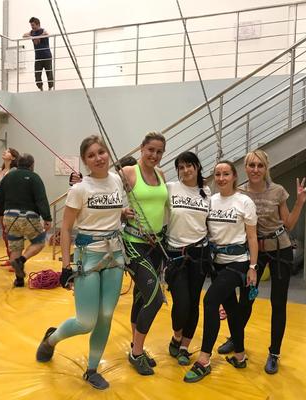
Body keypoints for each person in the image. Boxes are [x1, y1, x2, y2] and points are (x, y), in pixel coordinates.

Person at [36, 135, 127, 390]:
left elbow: (111, 213)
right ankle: (51, 340)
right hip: (88, 256)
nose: (98, 158)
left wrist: (123, 213)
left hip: (115, 255)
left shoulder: (117, 181)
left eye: (101, 152)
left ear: (108, 153)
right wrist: (65, 266)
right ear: (85, 161)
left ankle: (92, 369)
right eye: (91, 155)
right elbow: (65, 229)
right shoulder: (79, 189)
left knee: (106, 315)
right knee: (86, 321)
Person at [217, 150, 306, 374]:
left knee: (278, 303)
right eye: (251, 165)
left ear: (266, 168)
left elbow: (288, 224)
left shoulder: (278, 191)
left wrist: (299, 202)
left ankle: (274, 353)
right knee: (246, 300)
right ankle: (236, 339)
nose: (255, 170)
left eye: (260, 166)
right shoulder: (239, 192)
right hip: (254, 253)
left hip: (280, 250)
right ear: (245, 168)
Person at [184, 160, 258, 383]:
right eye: (217, 174)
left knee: (210, 301)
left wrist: (253, 267)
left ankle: (204, 360)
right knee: (232, 310)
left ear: (234, 176)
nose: (221, 178)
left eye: (226, 174)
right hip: (216, 263)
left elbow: (252, 237)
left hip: (238, 263)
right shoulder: (211, 201)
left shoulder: (244, 202)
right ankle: (240, 356)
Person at [121, 132, 168, 376]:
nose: (154, 155)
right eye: (150, 150)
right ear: (141, 148)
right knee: (155, 298)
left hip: (156, 245)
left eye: (159, 151)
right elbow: (105, 195)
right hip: (134, 244)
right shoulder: (129, 172)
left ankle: (135, 346)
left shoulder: (161, 175)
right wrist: (121, 211)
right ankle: (136, 354)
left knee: (140, 297)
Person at [165, 151, 211, 366]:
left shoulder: (207, 193)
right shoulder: (170, 188)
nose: (185, 170)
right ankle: (177, 336)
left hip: (200, 253)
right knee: (181, 302)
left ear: (197, 166)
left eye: (189, 166)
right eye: (181, 167)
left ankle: (184, 346)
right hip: (176, 253)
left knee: (193, 302)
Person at [0, 154, 52, 287]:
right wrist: (47, 218)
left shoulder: (8, 177)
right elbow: (41, 199)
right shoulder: (34, 177)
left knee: (16, 247)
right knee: (39, 242)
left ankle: (19, 280)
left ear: (18, 164)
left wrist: (1, 214)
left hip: (9, 216)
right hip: (28, 217)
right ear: (32, 165)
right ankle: (21, 260)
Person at [23, 17, 54, 91]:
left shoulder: (43, 30)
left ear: (38, 24)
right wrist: (32, 37)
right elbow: (24, 35)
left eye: (33, 25)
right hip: (38, 57)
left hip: (46, 56)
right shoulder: (32, 32)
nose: (32, 27)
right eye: (31, 25)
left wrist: (38, 37)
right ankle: (41, 89)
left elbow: (46, 33)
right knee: (37, 74)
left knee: (49, 73)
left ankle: (50, 88)